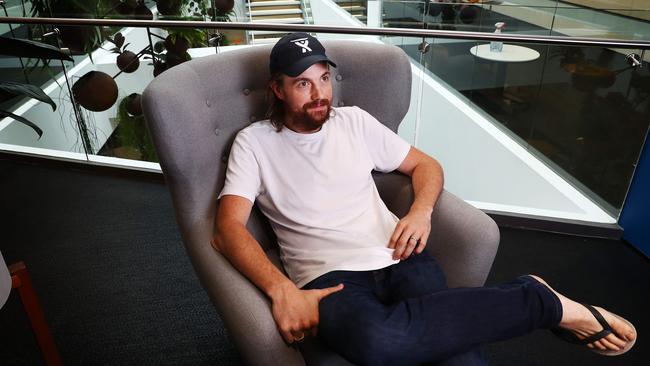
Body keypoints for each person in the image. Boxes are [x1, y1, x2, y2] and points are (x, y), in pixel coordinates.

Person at [211, 33, 637, 365]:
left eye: (324, 78)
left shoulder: (354, 121)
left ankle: (536, 300)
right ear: (278, 89)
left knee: (456, 356)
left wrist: (420, 212)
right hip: (328, 278)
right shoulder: (254, 143)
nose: (320, 93)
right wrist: (282, 290)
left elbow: (426, 165)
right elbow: (227, 228)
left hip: (399, 254)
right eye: (302, 83)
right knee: (380, 341)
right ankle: (536, 299)